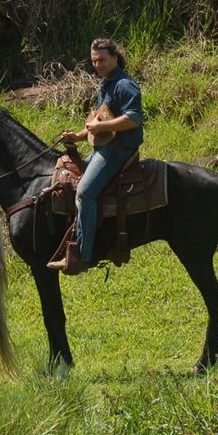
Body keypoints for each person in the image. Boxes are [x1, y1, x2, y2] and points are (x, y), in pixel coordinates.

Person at [47, 37, 143, 274]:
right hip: (104, 147)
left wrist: (100, 128)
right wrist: (78, 137)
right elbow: (98, 121)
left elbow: (134, 119)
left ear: (114, 57)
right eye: (94, 61)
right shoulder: (105, 84)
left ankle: (83, 254)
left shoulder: (124, 85)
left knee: (86, 193)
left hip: (119, 150)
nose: (97, 64)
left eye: (102, 59)